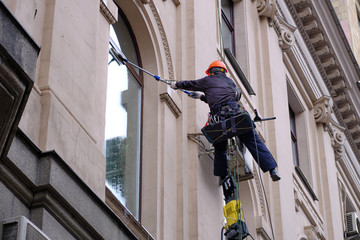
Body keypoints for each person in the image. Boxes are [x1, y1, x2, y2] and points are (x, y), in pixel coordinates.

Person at [170, 60, 281, 181]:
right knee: (254, 142)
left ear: (211, 72)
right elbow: (221, 96)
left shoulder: (208, 80)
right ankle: (272, 169)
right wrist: (201, 97)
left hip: (220, 120)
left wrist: (176, 85)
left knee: (220, 146)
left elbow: (191, 84)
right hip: (237, 117)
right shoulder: (230, 82)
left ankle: (222, 176)